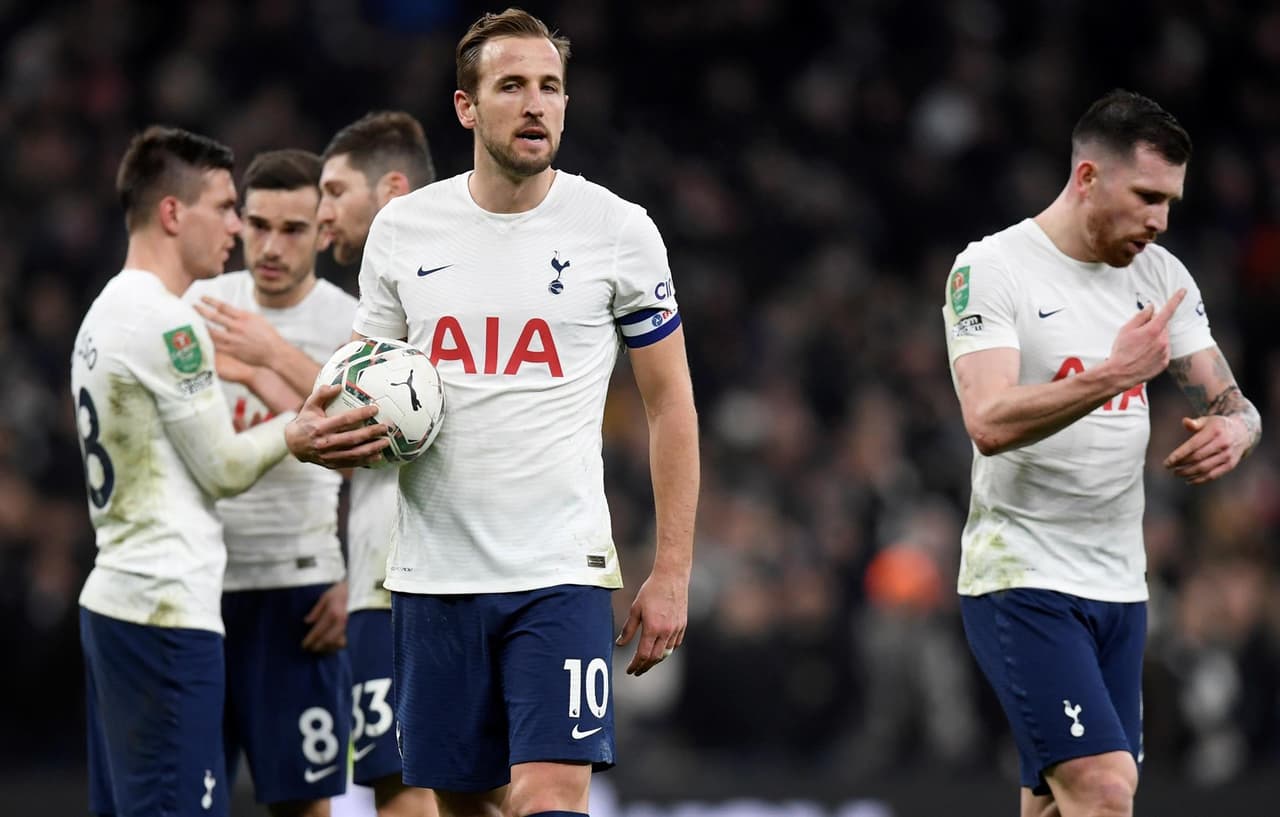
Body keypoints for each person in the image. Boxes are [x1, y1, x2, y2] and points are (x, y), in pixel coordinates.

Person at [286, 9, 700, 817]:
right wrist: (312, 437)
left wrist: (673, 570)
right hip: (433, 578)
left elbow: (672, 404)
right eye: (512, 86)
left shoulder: (618, 232)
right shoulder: (405, 232)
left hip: (560, 573)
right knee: (467, 804)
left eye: (551, 87)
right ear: (466, 107)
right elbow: (363, 390)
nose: (536, 103)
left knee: (549, 794)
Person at [942, 89, 1262, 817]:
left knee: (1057, 805)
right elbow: (987, 418)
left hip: (1120, 586)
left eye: (1172, 201)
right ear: (1088, 177)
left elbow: (1232, 402)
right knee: (1105, 789)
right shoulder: (992, 269)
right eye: (1148, 195)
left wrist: (1237, 430)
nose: (1160, 219)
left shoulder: (1161, 277)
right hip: (1021, 574)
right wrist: (1116, 373)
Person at [70, 126, 322, 817]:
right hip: (165, 614)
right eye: (225, 206)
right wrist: (296, 429)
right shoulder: (168, 324)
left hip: (118, 600)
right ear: (173, 214)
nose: (238, 227)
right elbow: (224, 468)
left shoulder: (103, 312)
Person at [185, 148, 357, 817]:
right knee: (188, 800)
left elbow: (370, 457)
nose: (271, 245)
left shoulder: (352, 322)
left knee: (303, 803)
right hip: (200, 587)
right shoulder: (200, 306)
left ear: (321, 231)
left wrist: (358, 581)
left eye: (292, 229)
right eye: (258, 224)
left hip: (303, 591)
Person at [319, 110, 439, 817]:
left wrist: (270, 360)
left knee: (404, 786)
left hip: (398, 574)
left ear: (391, 189)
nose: (321, 209)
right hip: (400, 560)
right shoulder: (375, 303)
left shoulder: (422, 293)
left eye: (335, 191)